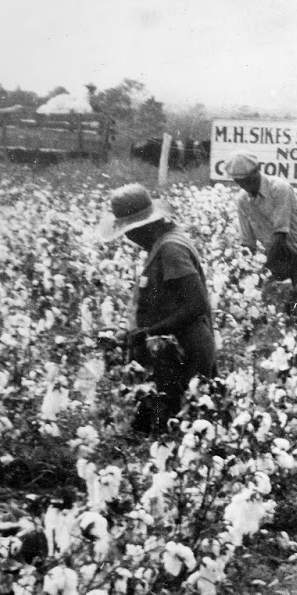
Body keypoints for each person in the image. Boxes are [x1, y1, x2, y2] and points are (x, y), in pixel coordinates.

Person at [95, 185, 217, 435]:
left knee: (170, 432)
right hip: (171, 352)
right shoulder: (164, 243)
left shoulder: (171, 248)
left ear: (143, 226)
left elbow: (196, 305)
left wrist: (148, 332)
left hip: (185, 353)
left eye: (129, 232)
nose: (129, 238)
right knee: (154, 428)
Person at [227, 153, 297, 305]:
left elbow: (280, 235)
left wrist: (263, 270)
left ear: (257, 171)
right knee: (272, 307)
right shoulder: (243, 200)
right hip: (274, 258)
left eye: (248, 180)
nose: (246, 186)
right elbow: (247, 243)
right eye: (240, 183)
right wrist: (241, 269)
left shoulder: (279, 188)